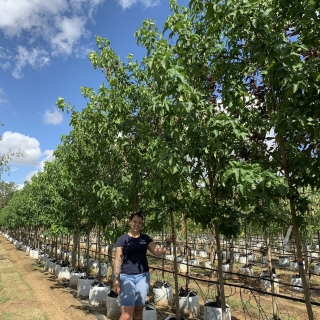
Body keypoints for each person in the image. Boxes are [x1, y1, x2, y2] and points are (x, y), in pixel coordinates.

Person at [113, 211, 175, 320]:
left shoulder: (145, 238)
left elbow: (157, 251)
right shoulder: (122, 239)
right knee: (127, 314)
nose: (137, 224)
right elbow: (118, 260)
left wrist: (168, 241)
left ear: (142, 224)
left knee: (138, 312)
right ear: (130, 222)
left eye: (139, 223)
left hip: (143, 277)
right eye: (135, 222)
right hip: (127, 277)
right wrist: (116, 280)